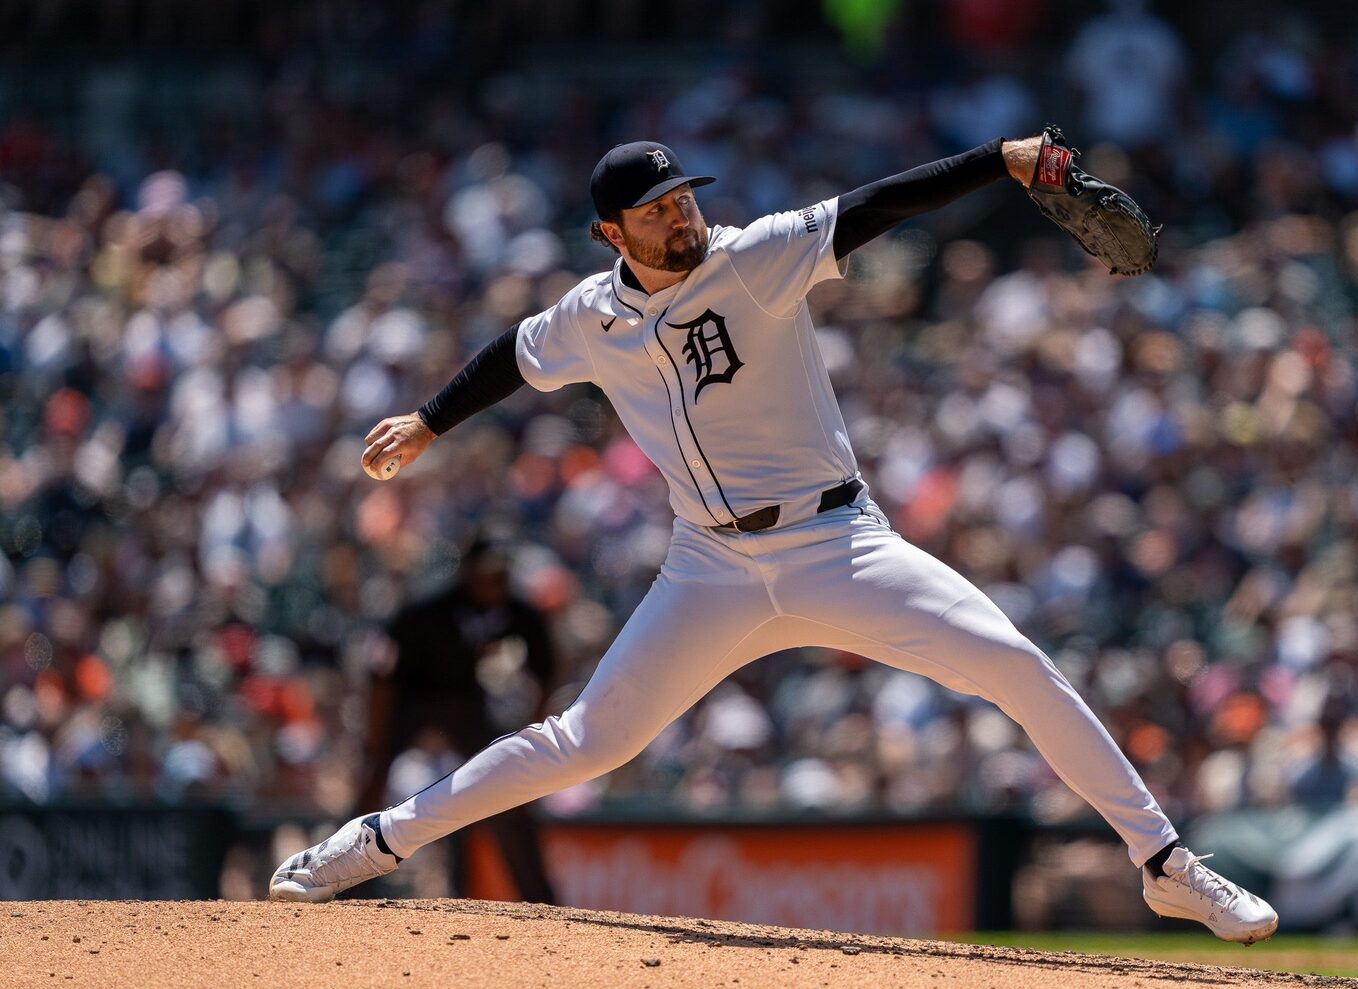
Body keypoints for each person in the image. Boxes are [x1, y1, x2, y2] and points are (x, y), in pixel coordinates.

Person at [269, 133, 1279, 943]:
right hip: (706, 566)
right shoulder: (590, 316)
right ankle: (377, 841)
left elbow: (878, 206)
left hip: (835, 542)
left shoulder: (754, 256)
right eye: (657, 211)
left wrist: (998, 162)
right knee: (583, 741)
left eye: (683, 198)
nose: (681, 217)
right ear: (610, 232)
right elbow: (512, 355)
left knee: (1012, 663)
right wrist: (429, 421)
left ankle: (1165, 864)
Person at [364, 535, 557, 902]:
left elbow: (546, 669)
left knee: (506, 784)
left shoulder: (516, 611)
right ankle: (346, 886)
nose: (495, 583)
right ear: (468, 572)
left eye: (501, 575)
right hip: (411, 701)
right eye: (487, 575)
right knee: (372, 784)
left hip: (466, 703)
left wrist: (534, 729)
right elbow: (381, 678)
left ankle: (538, 897)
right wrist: (377, 744)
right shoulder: (426, 609)